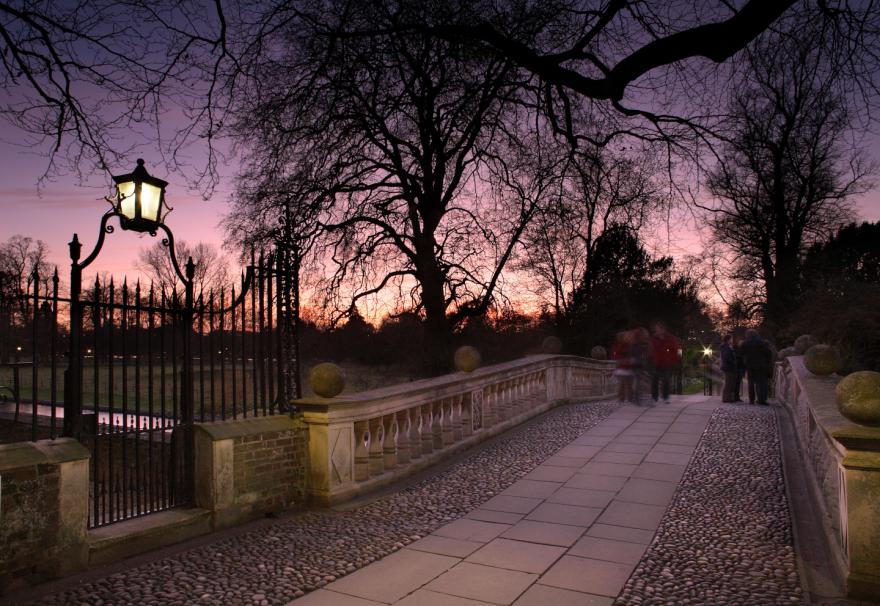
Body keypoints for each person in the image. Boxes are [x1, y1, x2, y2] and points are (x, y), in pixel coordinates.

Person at [739, 328, 773, 405]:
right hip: (761, 365)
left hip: (750, 365)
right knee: (761, 383)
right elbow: (768, 353)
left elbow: (740, 353)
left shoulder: (745, 343)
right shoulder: (761, 342)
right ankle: (761, 399)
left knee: (750, 383)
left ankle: (751, 399)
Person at [649, 322, 681, 404]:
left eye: (658, 329)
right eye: (655, 329)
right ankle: (654, 397)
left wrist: (676, 360)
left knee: (666, 380)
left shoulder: (671, 338)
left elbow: (678, 349)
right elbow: (650, 350)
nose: (656, 331)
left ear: (663, 329)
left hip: (667, 363)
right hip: (656, 363)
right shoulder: (653, 339)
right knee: (654, 381)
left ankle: (666, 397)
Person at [631, 327, 652, 405]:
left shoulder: (643, 344)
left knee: (639, 381)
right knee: (638, 381)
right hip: (637, 364)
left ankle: (637, 397)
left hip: (640, 364)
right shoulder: (636, 344)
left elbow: (647, 355)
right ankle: (636, 397)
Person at [612, 331, 634, 403]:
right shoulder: (618, 346)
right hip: (621, 368)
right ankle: (622, 398)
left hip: (628, 368)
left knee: (628, 385)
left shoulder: (629, 346)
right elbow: (615, 357)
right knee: (622, 385)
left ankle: (628, 398)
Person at [720, 334, 738, 403]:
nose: (732, 340)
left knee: (729, 382)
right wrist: (732, 362)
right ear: (728, 339)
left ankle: (728, 397)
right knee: (728, 383)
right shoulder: (725, 347)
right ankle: (726, 398)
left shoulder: (726, 346)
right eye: (731, 339)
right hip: (728, 367)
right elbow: (727, 357)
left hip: (728, 367)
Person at [733, 336, 745, 402]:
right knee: (736, 383)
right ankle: (735, 396)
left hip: (740, 367)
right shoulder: (735, 349)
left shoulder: (741, 349)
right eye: (741, 342)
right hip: (737, 368)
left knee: (738, 383)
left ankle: (737, 396)